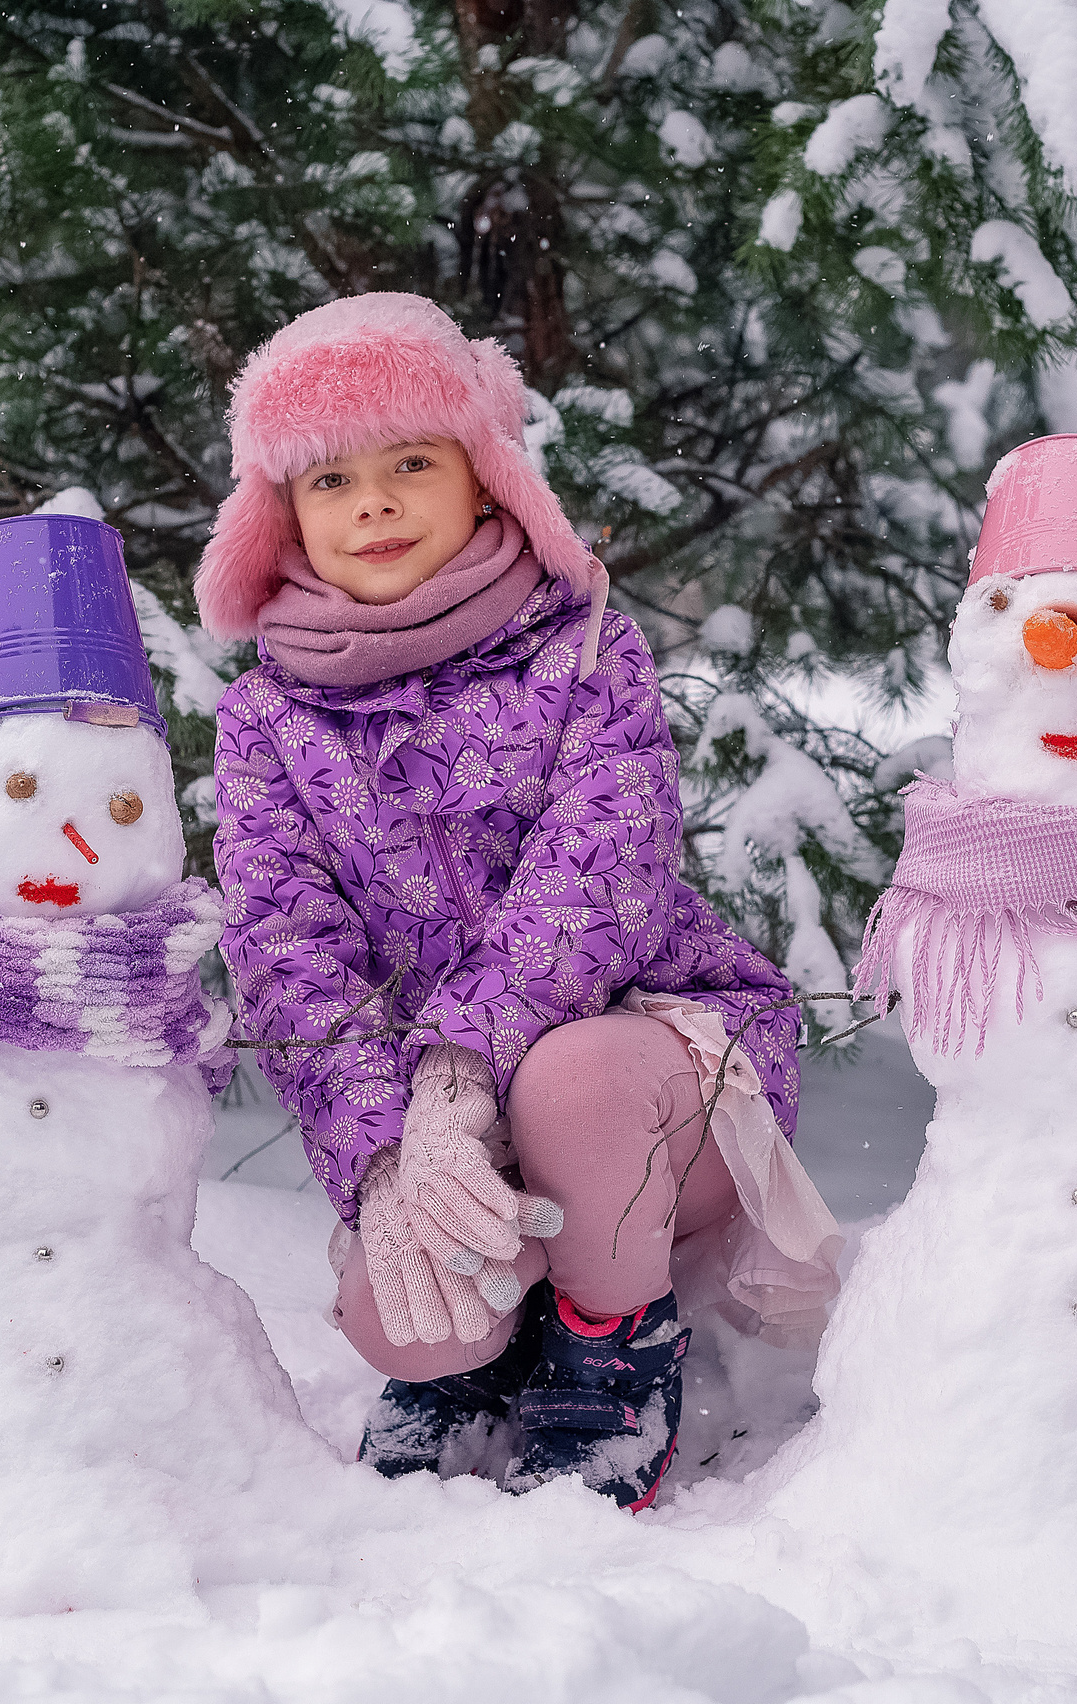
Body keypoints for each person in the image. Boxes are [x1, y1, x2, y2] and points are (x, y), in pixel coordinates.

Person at [199, 294, 836, 1510]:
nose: (373, 502)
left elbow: (599, 878)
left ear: (486, 481)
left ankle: (609, 1343)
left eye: (410, 464)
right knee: (413, 1324)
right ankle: (482, 1361)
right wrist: (390, 1156)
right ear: (280, 514)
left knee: (571, 1083)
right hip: (428, 1121)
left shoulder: (585, 648)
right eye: (329, 480)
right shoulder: (265, 719)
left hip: (655, 1077)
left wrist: (458, 1071)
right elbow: (289, 952)